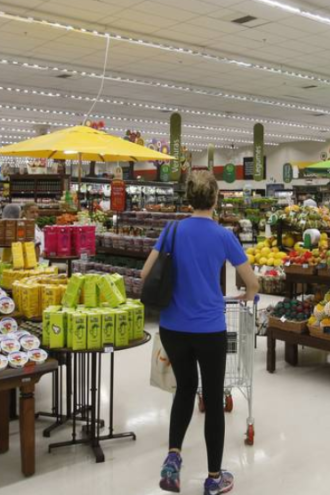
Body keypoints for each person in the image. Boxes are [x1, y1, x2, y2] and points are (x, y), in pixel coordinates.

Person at [142, 170, 258, 495]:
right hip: (209, 329)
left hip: (172, 328)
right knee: (213, 397)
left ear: (188, 199)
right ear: (216, 198)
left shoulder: (172, 230)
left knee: (184, 389)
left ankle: (172, 458)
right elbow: (252, 283)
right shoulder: (224, 236)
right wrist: (246, 295)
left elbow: (146, 272)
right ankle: (213, 478)